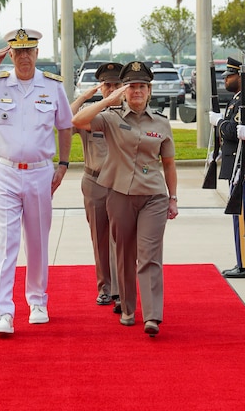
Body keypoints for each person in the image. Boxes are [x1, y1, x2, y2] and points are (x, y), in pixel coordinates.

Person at [0, 28, 73, 336]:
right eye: (17, 52)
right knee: (7, 244)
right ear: (9, 54)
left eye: (29, 51)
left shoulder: (51, 86)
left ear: (37, 54)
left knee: (37, 241)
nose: (24, 57)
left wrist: (63, 165)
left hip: (39, 172)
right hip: (6, 172)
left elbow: (65, 126)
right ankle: (4, 312)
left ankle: (37, 302)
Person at [73, 61, 179, 336]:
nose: (137, 91)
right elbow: (76, 121)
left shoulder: (161, 122)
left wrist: (173, 198)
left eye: (142, 86)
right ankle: (128, 307)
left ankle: (153, 316)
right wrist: (105, 99)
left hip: (153, 195)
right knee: (123, 253)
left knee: (149, 254)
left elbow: (168, 164)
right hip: (117, 192)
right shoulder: (110, 117)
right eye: (132, 86)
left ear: (149, 90)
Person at [70, 61, 124, 306]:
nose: (112, 90)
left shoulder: (132, 112)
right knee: (100, 238)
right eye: (107, 85)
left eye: (116, 85)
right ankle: (105, 288)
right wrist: (86, 96)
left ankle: (123, 288)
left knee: (122, 240)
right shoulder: (91, 113)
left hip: (123, 184)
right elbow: (65, 122)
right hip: (94, 182)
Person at [208, 57, 245, 279]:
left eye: (229, 76)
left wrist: (219, 123)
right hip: (236, 163)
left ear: (242, 78)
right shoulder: (237, 100)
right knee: (238, 215)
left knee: (242, 215)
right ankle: (243, 261)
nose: (225, 80)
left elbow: (238, 130)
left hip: (243, 165)